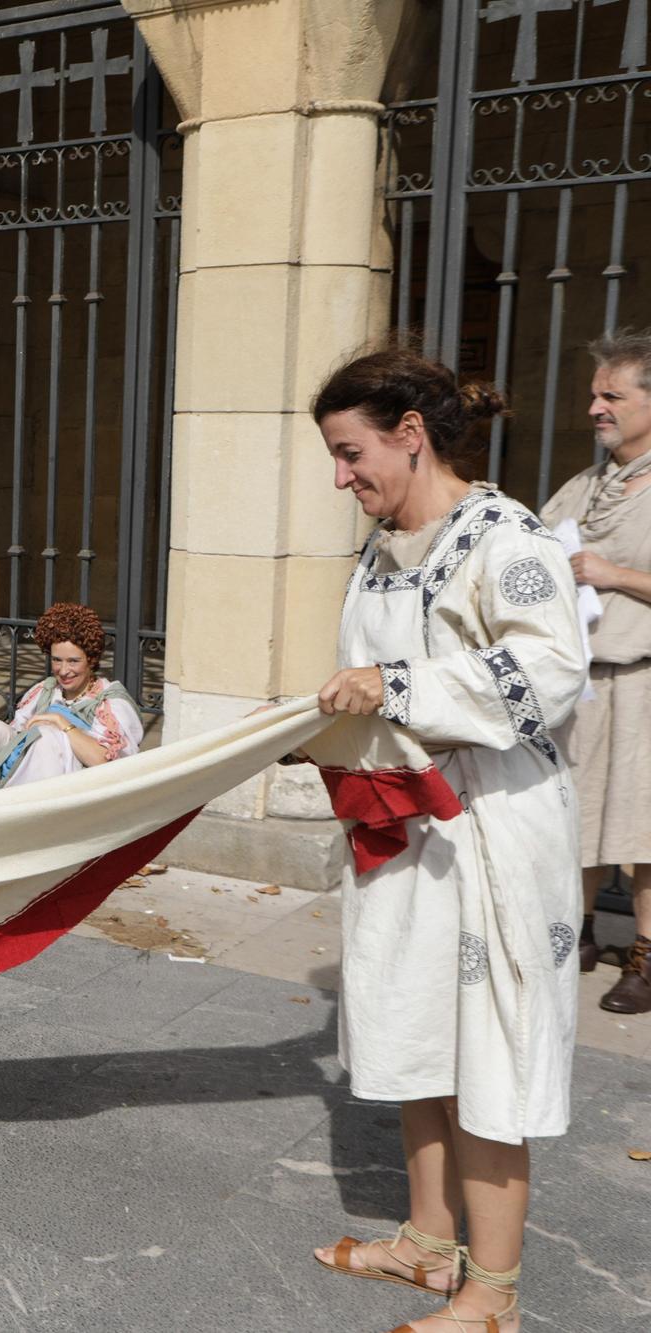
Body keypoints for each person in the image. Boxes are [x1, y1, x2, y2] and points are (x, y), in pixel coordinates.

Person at [303, 349, 582, 1333]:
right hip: (404, 833)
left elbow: (551, 671)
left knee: (487, 1055)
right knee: (417, 1032)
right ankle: (426, 1246)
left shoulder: (504, 539)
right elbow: (360, 678)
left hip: (493, 838)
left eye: (349, 453)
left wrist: (396, 690)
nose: (340, 477)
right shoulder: (378, 555)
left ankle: (491, 1295)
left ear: (407, 435)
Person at [539, 331, 651, 1013]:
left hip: (644, 677)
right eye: (593, 394)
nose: (594, 408)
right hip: (578, 681)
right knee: (574, 819)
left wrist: (617, 575)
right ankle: (575, 936)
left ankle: (644, 957)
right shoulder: (586, 484)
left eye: (611, 394)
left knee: (645, 833)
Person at [0, 602, 143, 797]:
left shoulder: (110, 702)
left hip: (74, 790)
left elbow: (108, 765)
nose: (64, 671)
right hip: (26, 773)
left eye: (73, 661)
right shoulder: (45, 690)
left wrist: (61, 723)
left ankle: (11, 809)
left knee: (47, 737)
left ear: (91, 660)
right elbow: (18, 735)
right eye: (57, 660)